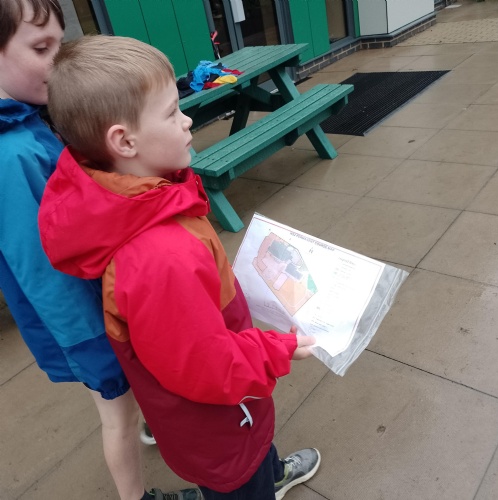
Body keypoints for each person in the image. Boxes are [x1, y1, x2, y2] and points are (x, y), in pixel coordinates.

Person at [38, 34, 321, 500]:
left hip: (227, 413)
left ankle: (271, 472)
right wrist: (278, 348)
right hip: (221, 424)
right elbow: (207, 367)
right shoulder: (158, 256)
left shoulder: (147, 196)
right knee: (242, 481)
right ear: (124, 141)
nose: (187, 119)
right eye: (171, 112)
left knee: (256, 459)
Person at [0, 2, 200, 499]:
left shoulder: (25, 122)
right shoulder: (12, 153)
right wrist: (91, 344)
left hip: (101, 303)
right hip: (86, 322)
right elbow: (39, 270)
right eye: (41, 48)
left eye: (60, 43)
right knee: (117, 416)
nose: (57, 61)